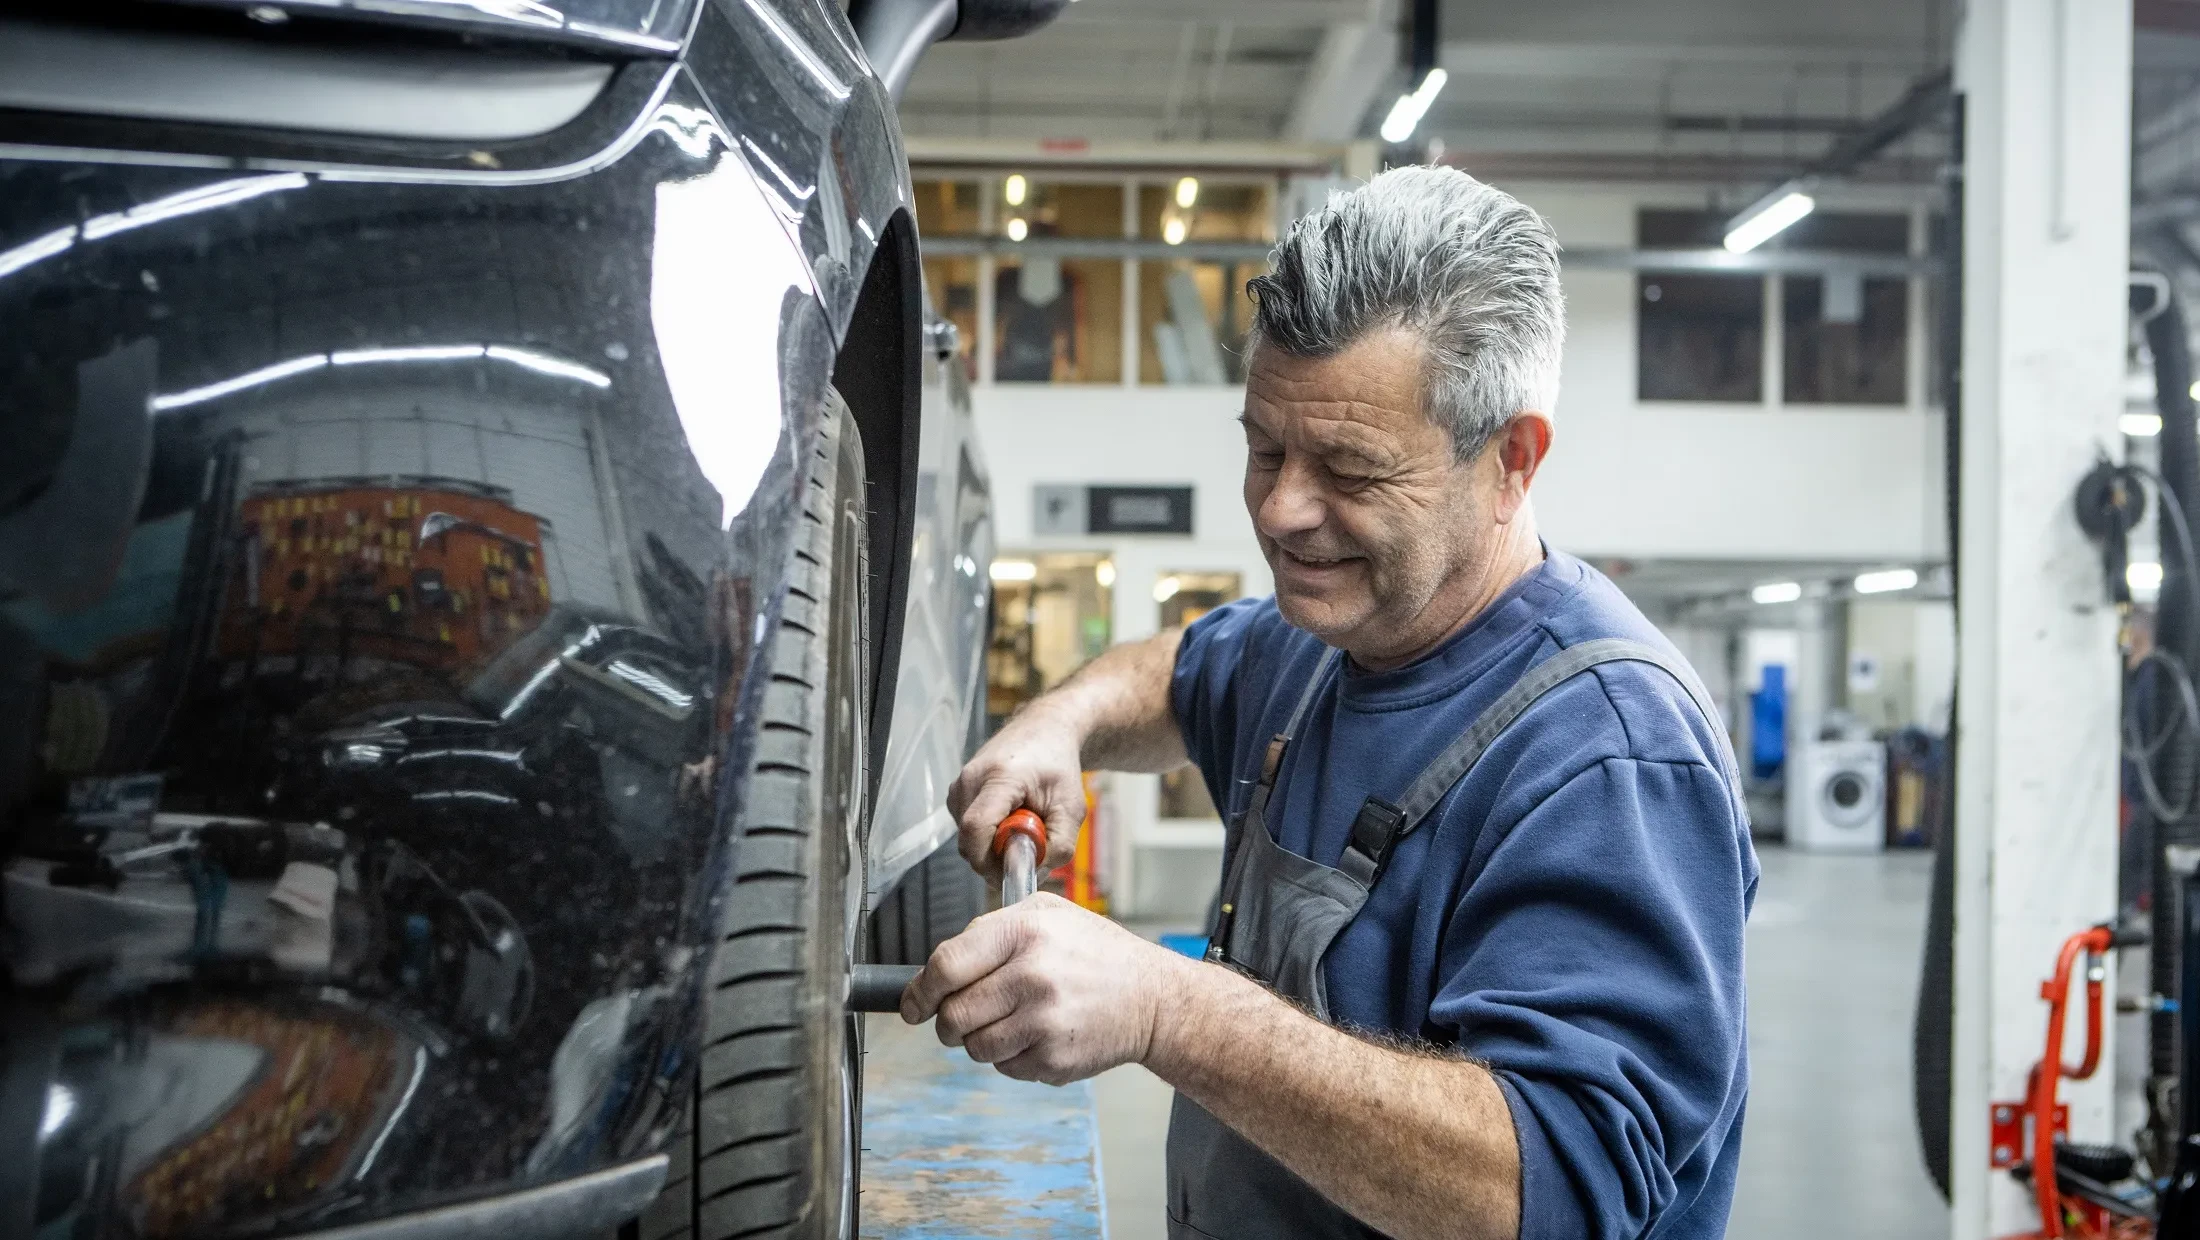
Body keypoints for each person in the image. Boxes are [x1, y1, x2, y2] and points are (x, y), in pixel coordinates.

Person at [900, 165, 1757, 1240]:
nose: (1281, 509)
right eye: (1265, 448)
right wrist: (1060, 722)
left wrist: (1169, 1010)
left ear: (1510, 462)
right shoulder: (1324, 636)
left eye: (1349, 470)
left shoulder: (1607, 755)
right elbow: (1179, 670)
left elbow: (1552, 1192)